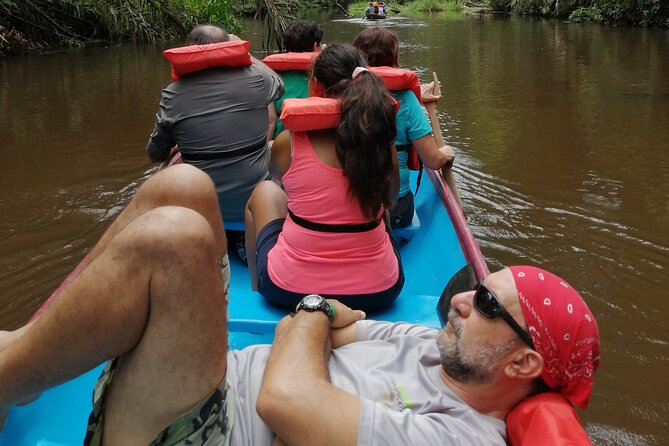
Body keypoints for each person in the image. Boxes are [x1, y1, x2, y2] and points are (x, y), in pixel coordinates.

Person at [0, 166, 601, 444]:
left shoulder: (462, 436)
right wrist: (310, 326)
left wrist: (312, 313)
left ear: (524, 365)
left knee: (175, 240)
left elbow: (286, 396)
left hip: (200, 431)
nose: (462, 299)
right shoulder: (428, 346)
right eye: (477, 286)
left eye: (488, 304)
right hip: (202, 378)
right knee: (180, 188)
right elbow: (307, 335)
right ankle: (29, 366)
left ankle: (8, 372)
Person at [245, 44, 404, 312]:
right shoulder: (381, 144)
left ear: (315, 86)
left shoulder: (288, 142)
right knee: (378, 209)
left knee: (264, 192)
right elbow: (391, 198)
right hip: (380, 291)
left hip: (287, 290)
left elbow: (277, 181)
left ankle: (257, 286)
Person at [146, 24, 284, 224]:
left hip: (203, 209)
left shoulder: (172, 94)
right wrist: (246, 54)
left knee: (174, 161)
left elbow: (155, 155)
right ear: (228, 49)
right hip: (255, 203)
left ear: (188, 51)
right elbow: (279, 85)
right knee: (277, 145)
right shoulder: (258, 78)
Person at [354, 27, 455, 228]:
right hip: (396, 206)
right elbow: (433, 161)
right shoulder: (407, 100)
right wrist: (446, 153)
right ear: (394, 56)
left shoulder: (345, 92)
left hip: (353, 203)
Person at [264, 20, 323, 139]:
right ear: (315, 46)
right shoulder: (326, 76)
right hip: (315, 141)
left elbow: (270, 120)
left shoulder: (269, 76)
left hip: (279, 141)